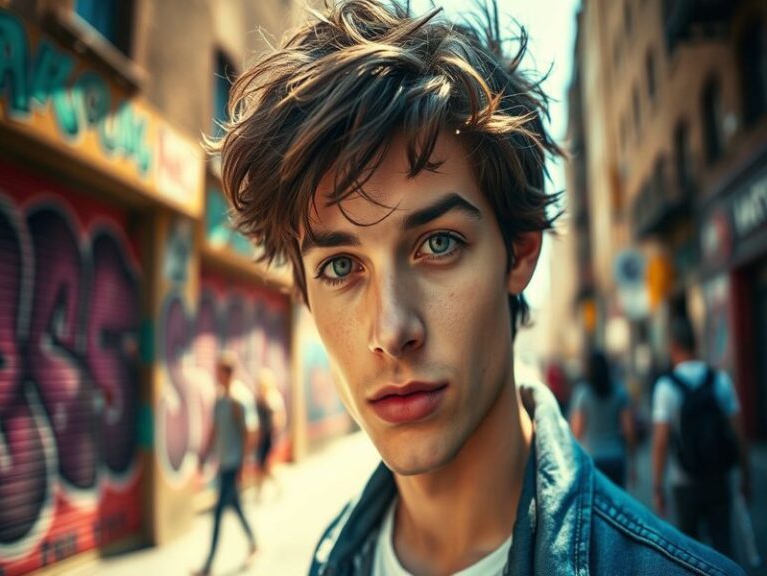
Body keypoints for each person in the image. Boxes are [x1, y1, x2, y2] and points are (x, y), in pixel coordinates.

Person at [213, 1, 744, 573]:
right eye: (341, 267)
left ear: (520, 252)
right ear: (303, 294)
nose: (392, 331)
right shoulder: (331, 560)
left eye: (438, 244)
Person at [652, 316, 751, 559]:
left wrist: (657, 486)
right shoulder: (720, 380)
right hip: (718, 476)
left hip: (684, 481)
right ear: (695, 344)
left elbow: (661, 442)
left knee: (690, 554)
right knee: (723, 545)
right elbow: (739, 433)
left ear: (672, 345)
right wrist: (745, 475)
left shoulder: (666, 387)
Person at [194, 352, 257, 576]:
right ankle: (254, 543)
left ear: (227, 373)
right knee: (236, 509)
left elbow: (251, 433)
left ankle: (209, 565)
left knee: (219, 513)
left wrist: (243, 465)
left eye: (219, 371)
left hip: (233, 465)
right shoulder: (220, 400)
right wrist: (204, 456)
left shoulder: (240, 399)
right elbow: (214, 430)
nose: (216, 376)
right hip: (223, 464)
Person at [569, 350, 635, 488]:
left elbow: (577, 430)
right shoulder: (620, 392)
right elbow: (629, 430)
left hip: (591, 459)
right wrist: (633, 463)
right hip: (616, 457)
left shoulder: (582, 394)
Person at [254, 367, 286, 500]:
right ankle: (260, 491)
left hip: (268, 436)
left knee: (264, 464)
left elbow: (279, 418)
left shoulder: (273, 397)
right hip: (262, 435)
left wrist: (274, 431)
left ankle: (274, 486)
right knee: (262, 464)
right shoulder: (262, 396)